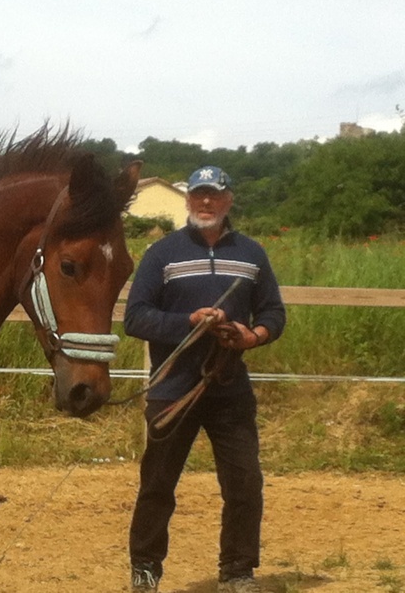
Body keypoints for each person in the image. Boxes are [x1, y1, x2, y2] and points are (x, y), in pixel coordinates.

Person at [123, 166, 286, 593]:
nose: (206, 203)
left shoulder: (252, 254)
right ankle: (145, 569)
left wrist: (252, 335)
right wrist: (189, 323)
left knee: (245, 482)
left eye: (214, 195)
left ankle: (237, 571)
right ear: (189, 201)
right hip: (173, 390)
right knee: (157, 483)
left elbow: (274, 312)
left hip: (230, 388)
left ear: (229, 199)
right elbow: (135, 317)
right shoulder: (162, 254)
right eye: (198, 196)